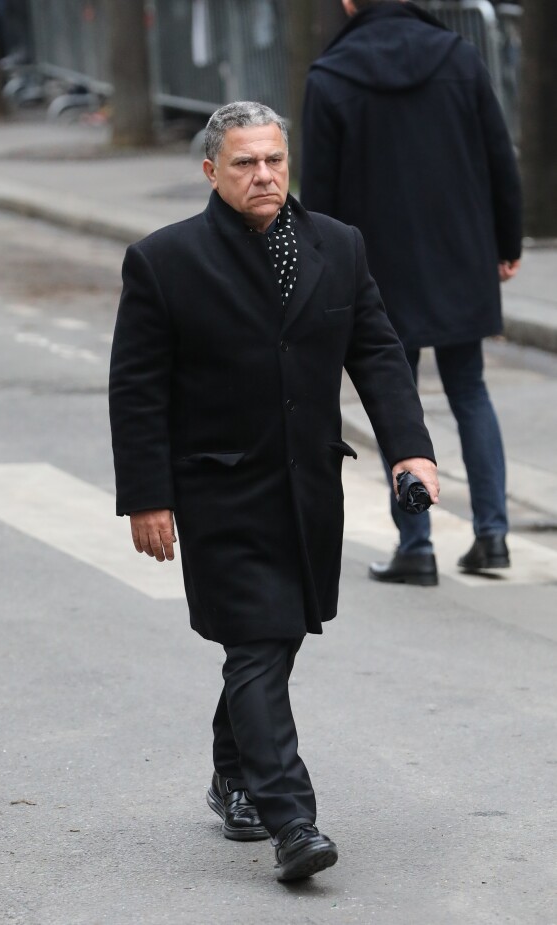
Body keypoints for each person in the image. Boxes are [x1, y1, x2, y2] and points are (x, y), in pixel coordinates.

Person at [109, 101, 438, 881]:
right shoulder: (165, 260)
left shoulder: (338, 246)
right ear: (211, 171)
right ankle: (293, 819)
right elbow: (137, 390)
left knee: (273, 640)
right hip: (218, 489)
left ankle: (232, 773)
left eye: (273, 161)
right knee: (257, 641)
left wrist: (411, 453)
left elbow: (380, 356)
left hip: (309, 485)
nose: (263, 175)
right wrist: (146, 496)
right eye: (245, 163)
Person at [300, 0, 522, 586]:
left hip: (378, 262)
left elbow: (320, 190)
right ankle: (493, 534)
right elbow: (499, 155)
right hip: (461, 250)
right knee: (469, 388)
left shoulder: (331, 74)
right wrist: (507, 239)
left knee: (395, 396)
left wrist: (323, 270)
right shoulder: (460, 56)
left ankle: (417, 544)